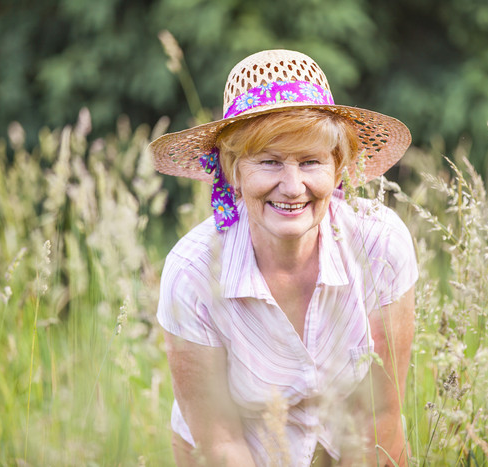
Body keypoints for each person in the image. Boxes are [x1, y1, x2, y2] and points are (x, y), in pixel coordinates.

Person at [148, 49, 417, 467]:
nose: (292, 187)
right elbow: (220, 442)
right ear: (234, 171)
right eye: (270, 162)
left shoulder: (379, 245)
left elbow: (379, 416)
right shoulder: (193, 271)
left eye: (310, 162)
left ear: (338, 166)